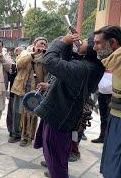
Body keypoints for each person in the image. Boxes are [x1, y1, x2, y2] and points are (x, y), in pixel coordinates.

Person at [33, 33, 105, 178]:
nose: (80, 42)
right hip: (60, 113)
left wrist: (61, 41)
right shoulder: (90, 65)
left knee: (56, 155)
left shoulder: (84, 68)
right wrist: (66, 45)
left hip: (60, 116)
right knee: (56, 154)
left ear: (91, 48)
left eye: (84, 41)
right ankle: (55, 171)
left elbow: (49, 61)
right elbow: (65, 63)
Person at [93, 25, 121, 178]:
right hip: (115, 116)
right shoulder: (114, 61)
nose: (94, 47)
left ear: (113, 43)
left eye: (98, 43)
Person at [8, 38, 48, 145]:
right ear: (34, 44)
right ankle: (15, 134)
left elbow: (46, 74)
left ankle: (27, 137)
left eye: (45, 44)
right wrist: (33, 54)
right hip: (20, 87)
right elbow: (19, 64)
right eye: (41, 43)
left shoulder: (45, 57)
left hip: (35, 91)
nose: (43, 46)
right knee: (17, 112)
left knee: (31, 114)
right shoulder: (25, 53)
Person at [6, 46, 24, 142]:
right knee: (11, 112)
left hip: (19, 91)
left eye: (20, 54)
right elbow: (10, 78)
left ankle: (17, 131)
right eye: (17, 54)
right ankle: (11, 130)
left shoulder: (24, 64)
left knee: (18, 112)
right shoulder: (14, 64)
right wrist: (10, 73)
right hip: (13, 91)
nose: (18, 56)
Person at [91, 70, 112, 143]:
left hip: (112, 95)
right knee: (103, 117)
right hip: (101, 93)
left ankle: (109, 139)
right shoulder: (103, 64)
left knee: (110, 118)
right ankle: (102, 136)